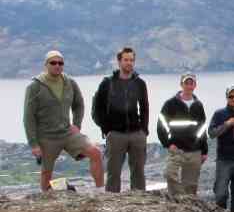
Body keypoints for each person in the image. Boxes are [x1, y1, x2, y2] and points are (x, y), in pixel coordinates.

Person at [23, 50, 104, 191]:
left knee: (95, 153)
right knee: (46, 172)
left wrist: (77, 124)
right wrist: (33, 144)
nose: (57, 66)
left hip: (67, 132)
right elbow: (28, 117)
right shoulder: (35, 86)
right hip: (46, 136)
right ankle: (45, 200)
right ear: (46, 65)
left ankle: (100, 192)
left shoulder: (69, 83)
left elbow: (78, 104)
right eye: (53, 63)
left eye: (60, 63)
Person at [91, 46, 149, 192]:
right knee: (113, 173)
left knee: (138, 173)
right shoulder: (108, 83)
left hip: (137, 134)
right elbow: (97, 108)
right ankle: (112, 202)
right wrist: (106, 129)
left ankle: (139, 200)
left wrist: (144, 130)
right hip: (116, 134)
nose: (129, 63)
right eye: (126, 60)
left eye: (131, 60)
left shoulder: (140, 83)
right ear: (119, 61)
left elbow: (144, 108)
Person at [156, 73, 208, 195]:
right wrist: (168, 144)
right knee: (169, 174)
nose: (189, 86)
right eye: (186, 83)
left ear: (195, 85)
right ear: (181, 84)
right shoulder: (170, 104)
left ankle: (186, 207)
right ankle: (177, 199)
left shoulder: (198, 105)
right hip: (176, 149)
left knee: (190, 186)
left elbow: (202, 129)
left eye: (192, 83)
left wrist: (204, 151)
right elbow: (161, 125)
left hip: (194, 150)